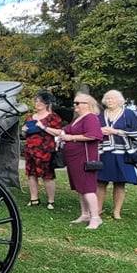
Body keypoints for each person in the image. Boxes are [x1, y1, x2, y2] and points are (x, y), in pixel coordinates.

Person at [42, 93, 104, 229]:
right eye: (74, 103)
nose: (74, 105)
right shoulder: (79, 118)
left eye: (77, 103)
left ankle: (95, 217)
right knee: (80, 188)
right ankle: (85, 214)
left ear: (87, 105)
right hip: (74, 157)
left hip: (85, 158)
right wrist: (43, 127)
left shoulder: (90, 118)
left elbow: (94, 135)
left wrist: (71, 138)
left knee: (87, 188)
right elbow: (63, 132)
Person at [97, 89, 137, 220]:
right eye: (108, 99)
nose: (110, 101)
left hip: (123, 154)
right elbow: (93, 131)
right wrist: (100, 131)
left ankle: (117, 212)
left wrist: (115, 131)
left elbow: (135, 132)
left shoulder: (128, 114)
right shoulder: (100, 115)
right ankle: (98, 209)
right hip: (104, 154)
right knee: (100, 182)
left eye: (113, 98)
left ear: (120, 101)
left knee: (120, 183)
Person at [21, 90, 64, 209]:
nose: (37, 103)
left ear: (46, 103)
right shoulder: (30, 117)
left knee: (47, 175)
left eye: (40, 101)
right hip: (30, 150)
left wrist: (43, 127)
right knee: (31, 174)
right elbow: (25, 135)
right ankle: (34, 198)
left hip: (45, 151)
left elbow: (59, 132)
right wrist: (24, 130)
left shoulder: (52, 117)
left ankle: (51, 200)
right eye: (36, 101)